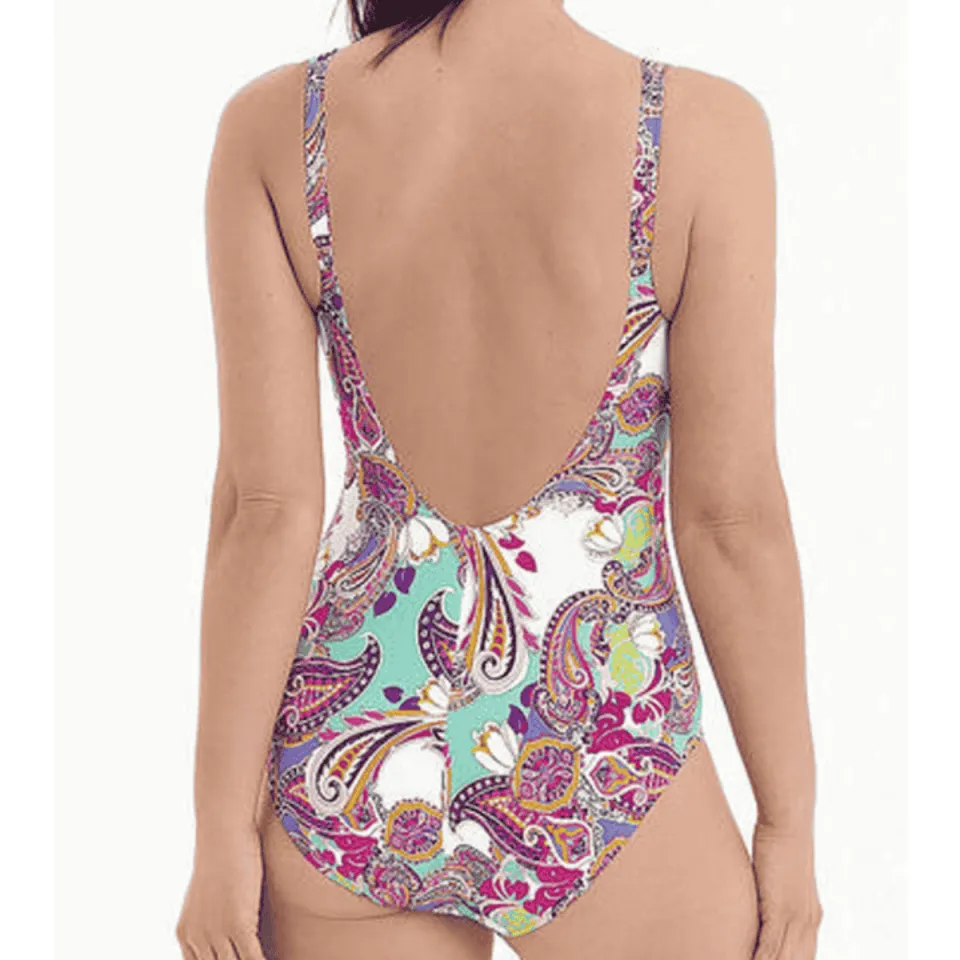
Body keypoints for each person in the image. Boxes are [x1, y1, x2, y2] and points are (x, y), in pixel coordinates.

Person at [175, 1, 822, 958]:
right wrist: (789, 820)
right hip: (599, 748)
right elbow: (731, 521)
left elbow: (263, 512)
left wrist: (220, 829)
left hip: (354, 754)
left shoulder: (276, 126)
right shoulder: (702, 132)